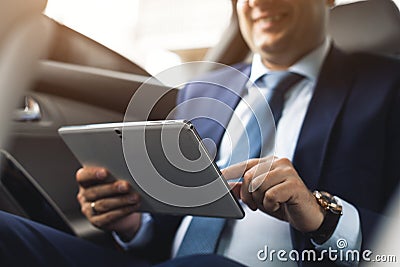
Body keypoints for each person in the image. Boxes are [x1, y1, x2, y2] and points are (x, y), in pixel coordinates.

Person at [0, 0, 399, 266]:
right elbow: (175, 227)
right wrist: (131, 225)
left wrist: (322, 216)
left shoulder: (388, 91)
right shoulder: (203, 91)